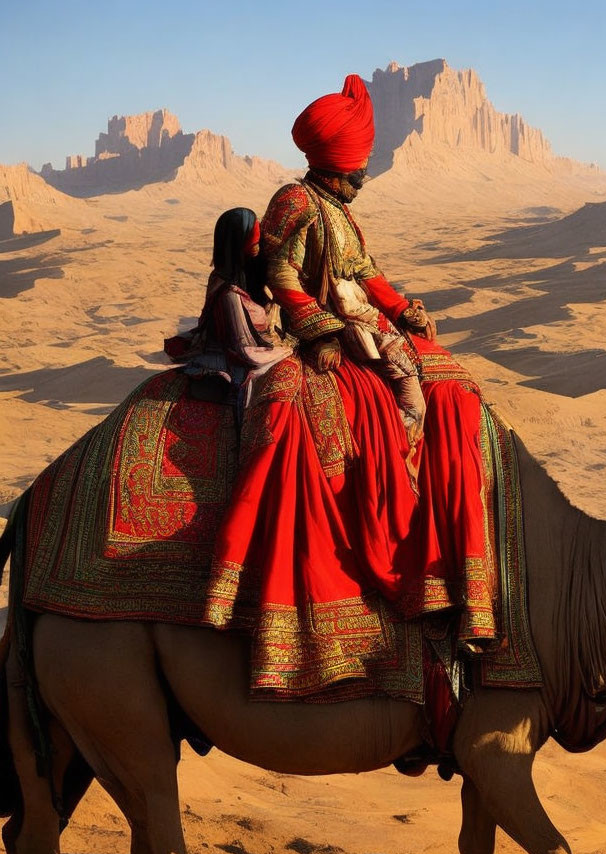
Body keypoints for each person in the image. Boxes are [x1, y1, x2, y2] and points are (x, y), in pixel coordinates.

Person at [204, 75, 499, 698]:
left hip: (357, 318)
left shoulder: (339, 211)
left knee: (449, 381)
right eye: (357, 169)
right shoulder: (294, 203)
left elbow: (367, 272)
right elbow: (281, 269)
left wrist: (404, 308)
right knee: (344, 409)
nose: (363, 178)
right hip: (328, 330)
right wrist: (315, 329)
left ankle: (445, 542)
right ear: (333, 168)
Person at [165, 207, 284, 412]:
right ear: (239, 241)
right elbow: (246, 351)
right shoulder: (230, 293)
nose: (258, 242)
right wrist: (286, 350)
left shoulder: (225, 277)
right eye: (253, 238)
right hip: (233, 362)